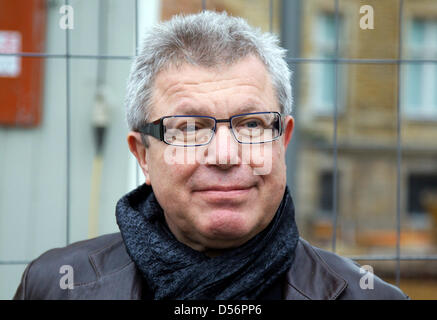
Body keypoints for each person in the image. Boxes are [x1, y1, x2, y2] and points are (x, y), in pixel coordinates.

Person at [14, 11, 408, 300]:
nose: (224, 155)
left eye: (252, 125)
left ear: (282, 142)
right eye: (189, 129)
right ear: (143, 156)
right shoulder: (55, 286)